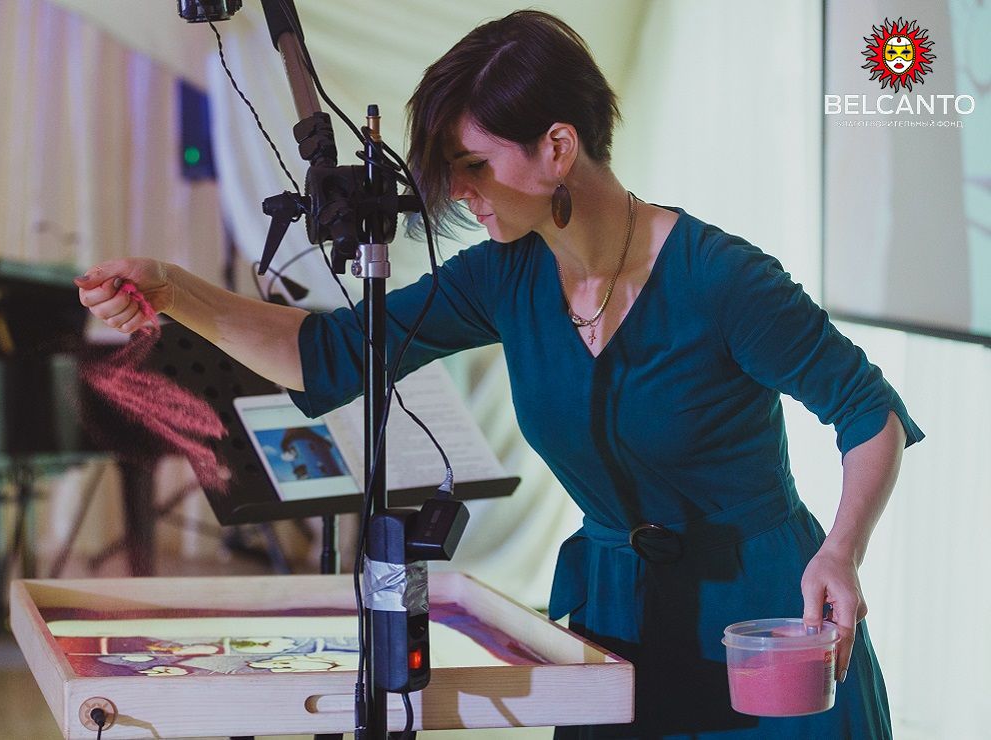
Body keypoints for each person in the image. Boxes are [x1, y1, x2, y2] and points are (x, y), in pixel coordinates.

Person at [74, 10, 922, 737]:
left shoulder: (722, 279)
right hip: (620, 615)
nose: (458, 191)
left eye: (473, 165)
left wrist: (840, 552)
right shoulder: (505, 275)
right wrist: (174, 291)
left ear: (558, 148)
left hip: (764, 618)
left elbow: (868, 411)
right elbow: (329, 354)